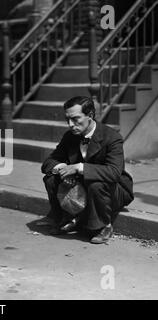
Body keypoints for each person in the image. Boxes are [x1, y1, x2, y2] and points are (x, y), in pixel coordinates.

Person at [41, 96, 134, 244]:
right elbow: (49, 162)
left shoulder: (112, 137)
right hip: (84, 184)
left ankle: (104, 226)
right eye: (67, 119)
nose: (71, 124)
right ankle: (66, 217)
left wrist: (78, 168)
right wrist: (63, 169)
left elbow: (114, 172)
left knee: (96, 183)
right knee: (51, 178)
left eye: (76, 119)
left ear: (90, 115)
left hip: (114, 190)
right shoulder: (70, 136)